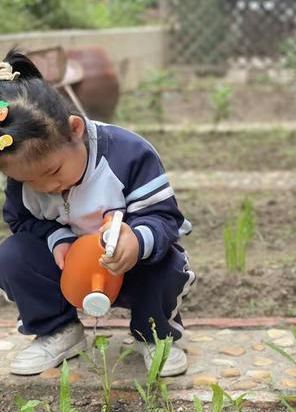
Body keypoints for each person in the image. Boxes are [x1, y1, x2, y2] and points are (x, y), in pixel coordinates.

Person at [0, 49, 195, 376]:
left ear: (75, 129)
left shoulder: (128, 154)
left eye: (53, 171)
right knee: (12, 255)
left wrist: (136, 240)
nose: (45, 186)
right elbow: (23, 220)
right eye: (27, 180)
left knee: (167, 265)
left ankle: (155, 333)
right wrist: (58, 240)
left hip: (130, 265)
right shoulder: (26, 179)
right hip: (68, 272)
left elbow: (165, 218)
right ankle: (58, 330)